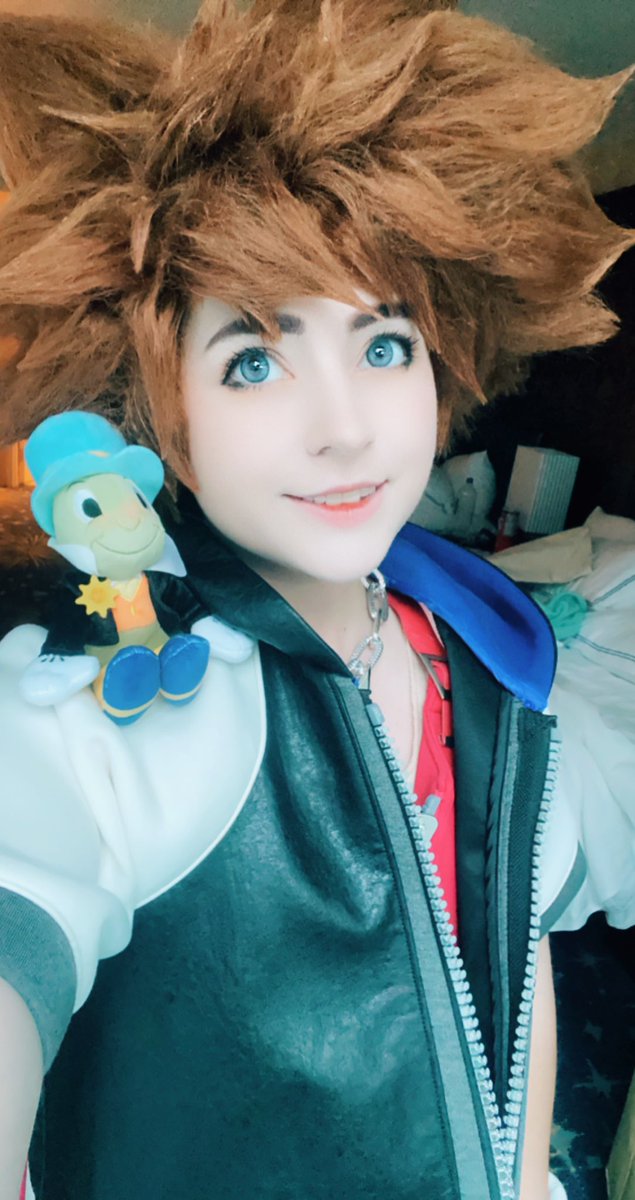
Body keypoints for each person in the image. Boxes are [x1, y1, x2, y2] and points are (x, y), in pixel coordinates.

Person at [0, 2, 632, 1197]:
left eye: (383, 346)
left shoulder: (479, 664)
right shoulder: (107, 714)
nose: (344, 429)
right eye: (252, 360)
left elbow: (514, 968)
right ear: (161, 416)